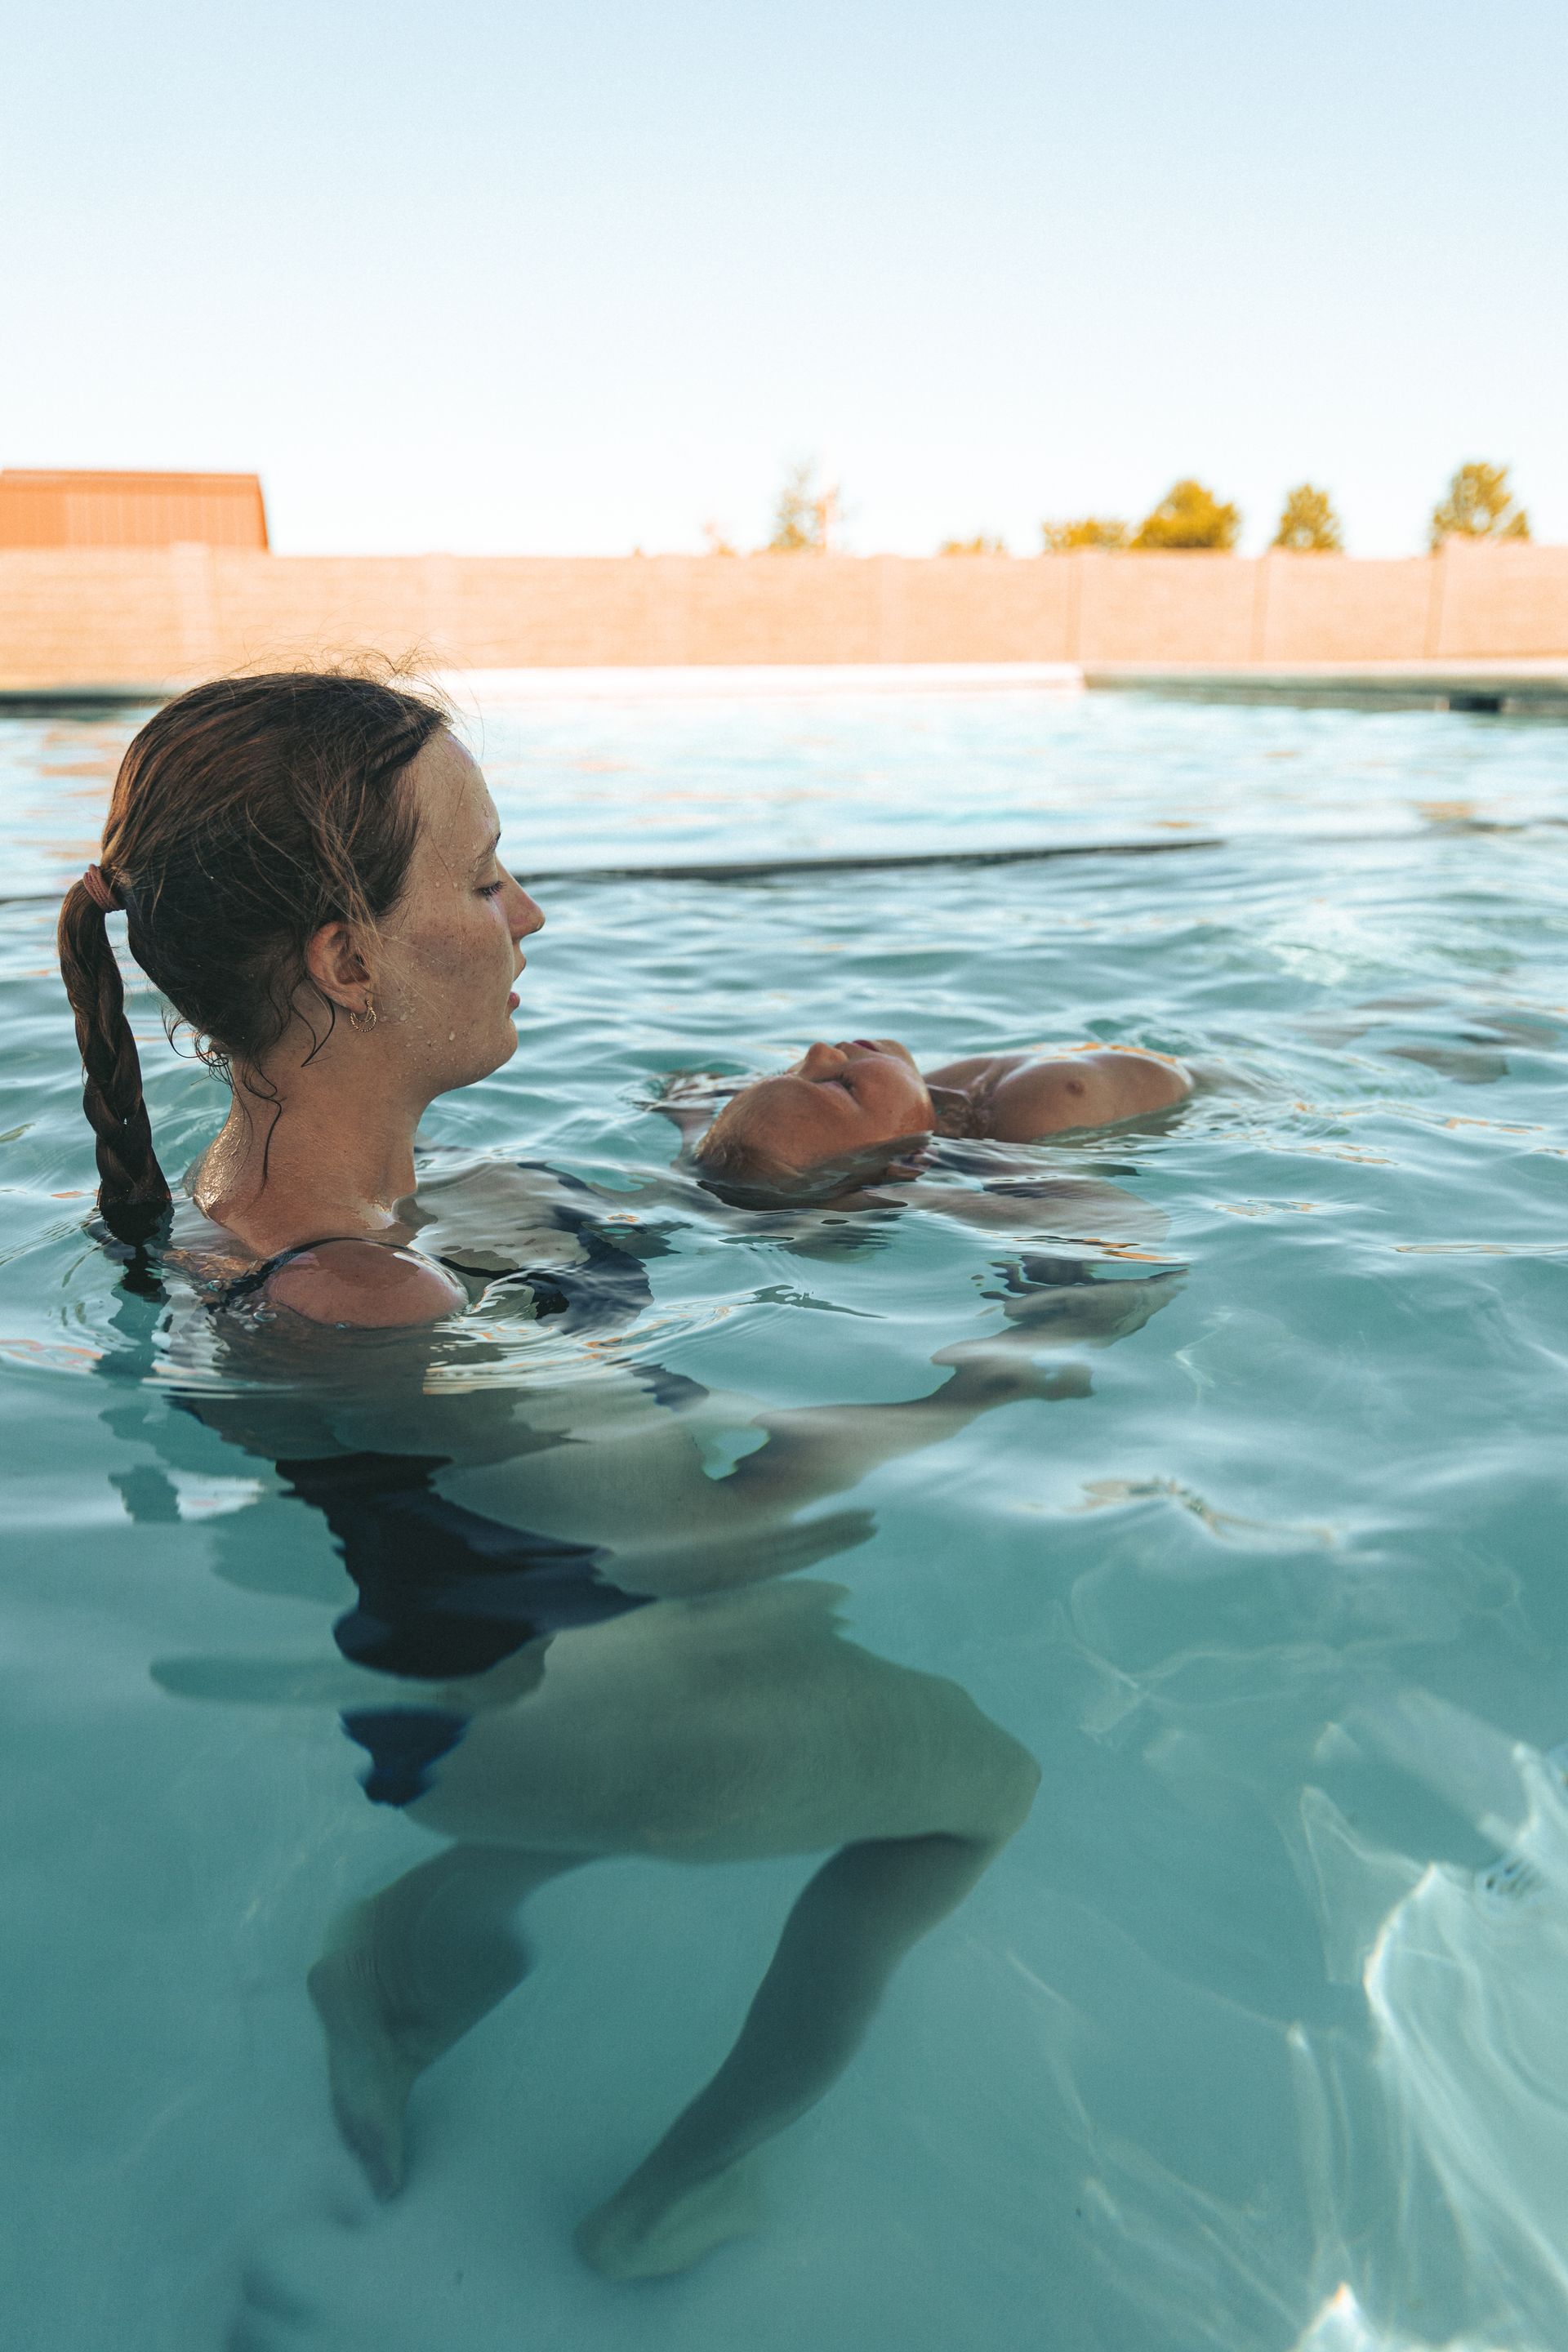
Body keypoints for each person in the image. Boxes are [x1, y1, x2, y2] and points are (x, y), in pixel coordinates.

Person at [59, 671, 1132, 2279]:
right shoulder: (372, 1294)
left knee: (770, 1662)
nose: (531, 915)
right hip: (577, 1723)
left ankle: (403, 1963)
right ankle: (691, 2181)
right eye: (485, 880)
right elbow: (702, 1541)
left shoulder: (255, 1211)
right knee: (980, 1786)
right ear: (347, 960)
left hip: (453, 1697)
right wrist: (1034, 1346)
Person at [688, 1035, 1193, 1205]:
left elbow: (688, 1085)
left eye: (792, 1072)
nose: (819, 1050)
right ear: (911, 1159)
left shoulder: (925, 1101)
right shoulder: (1037, 1118)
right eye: (840, 1086)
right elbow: (1109, 1216)